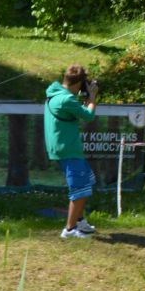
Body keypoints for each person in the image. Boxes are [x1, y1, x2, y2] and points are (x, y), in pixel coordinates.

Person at [44, 65, 99, 239]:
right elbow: (88, 115)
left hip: (65, 148)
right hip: (68, 150)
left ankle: (79, 221)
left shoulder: (55, 94)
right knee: (79, 189)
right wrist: (92, 97)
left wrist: (86, 98)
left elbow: (78, 112)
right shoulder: (66, 99)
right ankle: (69, 229)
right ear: (79, 83)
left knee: (86, 181)